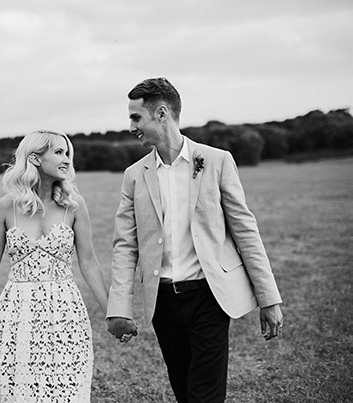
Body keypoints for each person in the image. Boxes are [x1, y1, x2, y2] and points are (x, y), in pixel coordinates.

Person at [106, 77, 284, 403]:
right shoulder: (134, 175)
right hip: (162, 302)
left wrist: (268, 298)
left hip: (209, 297)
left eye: (136, 117)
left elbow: (245, 230)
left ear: (161, 113)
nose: (131, 127)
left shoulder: (217, 161)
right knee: (184, 391)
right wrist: (119, 308)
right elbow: (125, 246)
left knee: (205, 395)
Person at [0, 130, 109, 403]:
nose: (66, 159)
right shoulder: (5, 207)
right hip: (16, 315)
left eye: (68, 153)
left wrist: (112, 312)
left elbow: (89, 262)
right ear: (35, 158)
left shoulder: (75, 206)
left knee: (68, 391)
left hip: (66, 314)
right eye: (59, 152)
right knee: (19, 392)